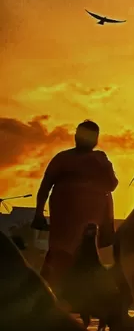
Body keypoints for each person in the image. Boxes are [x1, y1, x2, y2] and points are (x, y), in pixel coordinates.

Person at [31, 119, 118, 283]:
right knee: (60, 255)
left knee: (87, 255)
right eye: (81, 134)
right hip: (65, 218)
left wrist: (104, 165)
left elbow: (112, 185)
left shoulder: (100, 159)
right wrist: (38, 213)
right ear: (76, 136)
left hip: (92, 220)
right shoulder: (63, 158)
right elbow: (45, 185)